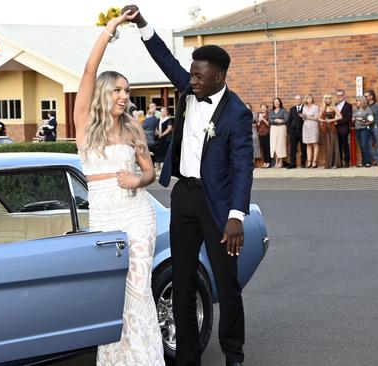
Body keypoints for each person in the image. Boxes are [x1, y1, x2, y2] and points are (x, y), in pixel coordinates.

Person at [125, 5, 254, 366]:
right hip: (183, 197)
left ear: (218, 77)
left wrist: (236, 217)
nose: (191, 80)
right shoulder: (187, 91)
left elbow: (244, 168)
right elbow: (164, 59)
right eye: (192, 74)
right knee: (181, 282)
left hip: (218, 206)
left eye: (199, 76)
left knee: (227, 286)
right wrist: (143, 25)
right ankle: (186, 358)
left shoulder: (237, 114)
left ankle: (234, 355)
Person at [72, 9, 164, 365]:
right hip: (104, 220)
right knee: (114, 297)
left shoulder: (133, 129)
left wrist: (135, 180)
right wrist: (109, 29)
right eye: (118, 90)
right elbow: (88, 71)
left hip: (137, 216)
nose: (125, 96)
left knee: (139, 293)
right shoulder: (84, 125)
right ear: (104, 93)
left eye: (127, 90)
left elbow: (150, 173)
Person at [318, 94, 343, 169]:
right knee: (328, 146)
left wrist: (332, 120)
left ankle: (335, 164)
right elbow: (318, 118)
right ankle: (329, 163)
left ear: (331, 99)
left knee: (333, 145)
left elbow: (340, 117)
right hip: (325, 129)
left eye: (329, 98)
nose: (328, 100)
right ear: (324, 99)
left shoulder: (334, 107)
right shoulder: (322, 108)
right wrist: (324, 120)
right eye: (326, 98)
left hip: (332, 128)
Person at [353, 96, 373, 167]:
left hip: (364, 129)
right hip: (357, 129)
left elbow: (371, 120)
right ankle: (363, 162)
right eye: (356, 101)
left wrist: (364, 122)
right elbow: (353, 119)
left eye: (358, 101)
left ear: (362, 101)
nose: (357, 102)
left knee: (364, 145)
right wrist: (353, 119)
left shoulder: (368, 109)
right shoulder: (356, 110)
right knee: (361, 146)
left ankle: (368, 162)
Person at [287, 94, 306, 169]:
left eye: (299, 99)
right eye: (296, 99)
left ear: (301, 100)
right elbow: (289, 121)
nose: (298, 101)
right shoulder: (292, 109)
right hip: (293, 131)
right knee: (293, 148)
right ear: (295, 101)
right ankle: (292, 164)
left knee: (303, 148)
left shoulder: (305, 108)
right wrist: (290, 130)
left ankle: (303, 163)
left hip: (302, 131)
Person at [269, 97, 288, 168]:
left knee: (281, 144)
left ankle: (281, 162)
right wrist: (274, 121)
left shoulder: (283, 110)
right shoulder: (271, 111)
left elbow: (286, 119)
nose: (276, 103)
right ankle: (276, 161)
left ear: (280, 102)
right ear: (273, 103)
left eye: (277, 101)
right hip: (273, 129)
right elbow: (269, 120)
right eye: (275, 102)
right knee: (274, 145)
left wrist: (281, 121)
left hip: (281, 128)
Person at [301, 94, 320, 168]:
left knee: (314, 143)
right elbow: (303, 118)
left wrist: (307, 117)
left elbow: (316, 118)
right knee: (308, 144)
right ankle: (309, 161)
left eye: (310, 98)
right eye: (308, 98)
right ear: (306, 100)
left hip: (313, 126)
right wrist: (304, 117)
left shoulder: (315, 107)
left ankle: (314, 161)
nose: (309, 99)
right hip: (306, 127)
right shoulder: (304, 107)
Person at [335, 89, 353, 167]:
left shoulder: (348, 106)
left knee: (345, 145)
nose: (340, 97)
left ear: (344, 96)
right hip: (335, 129)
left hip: (344, 129)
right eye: (338, 95)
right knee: (338, 146)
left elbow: (347, 118)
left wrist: (337, 122)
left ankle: (346, 162)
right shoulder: (335, 105)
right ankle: (340, 162)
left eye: (341, 95)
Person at [256, 103, 271, 168]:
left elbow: (269, 124)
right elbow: (257, 126)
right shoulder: (259, 115)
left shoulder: (269, 114)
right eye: (262, 107)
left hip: (267, 133)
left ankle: (268, 162)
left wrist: (263, 119)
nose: (263, 108)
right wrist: (258, 121)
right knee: (263, 148)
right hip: (261, 134)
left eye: (264, 107)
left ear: (266, 108)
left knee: (267, 148)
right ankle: (264, 162)